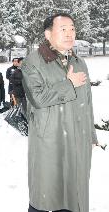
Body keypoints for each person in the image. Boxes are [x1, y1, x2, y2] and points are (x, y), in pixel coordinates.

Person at [22, 13, 98, 212]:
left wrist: (90, 134)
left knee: (74, 195)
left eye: (72, 28)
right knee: (47, 194)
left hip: (78, 138)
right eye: (63, 29)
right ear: (48, 34)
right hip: (50, 138)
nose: (69, 33)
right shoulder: (33, 61)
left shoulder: (79, 62)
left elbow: (87, 102)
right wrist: (69, 84)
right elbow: (37, 98)